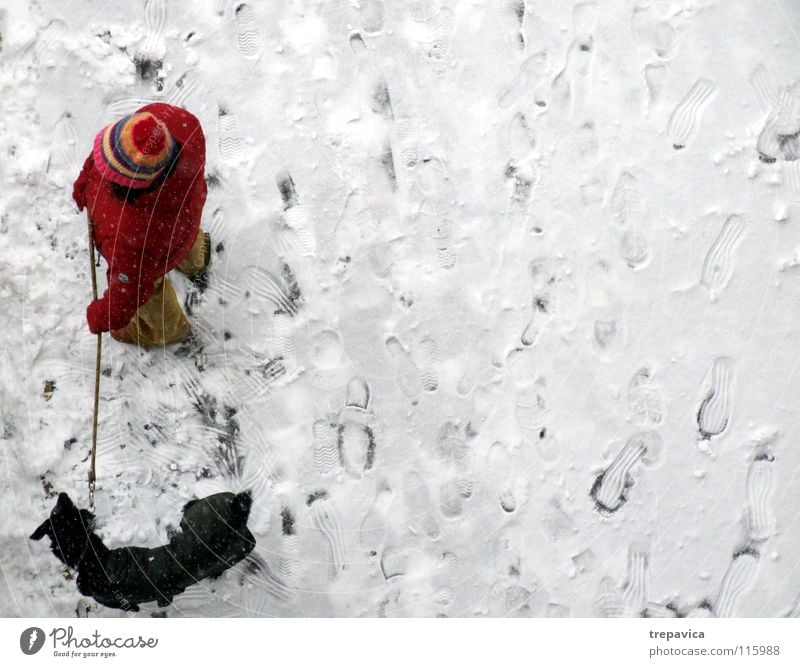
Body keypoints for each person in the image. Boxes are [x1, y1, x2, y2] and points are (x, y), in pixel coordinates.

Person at [72, 103, 210, 348]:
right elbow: (103, 153)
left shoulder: (131, 235)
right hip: (183, 218)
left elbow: (128, 294)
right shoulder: (166, 122)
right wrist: (86, 179)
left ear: (128, 184)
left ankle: (168, 331)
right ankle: (196, 258)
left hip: (153, 252)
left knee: (151, 293)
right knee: (182, 240)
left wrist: (102, 316)